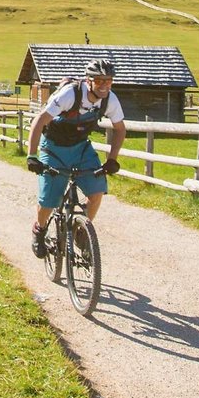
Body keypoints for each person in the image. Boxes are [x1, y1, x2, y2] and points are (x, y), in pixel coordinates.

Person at [26, 58, 126, 258]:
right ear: (89, 81)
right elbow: (40, 120)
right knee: (48, 201)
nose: (105, 85)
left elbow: (120, 129)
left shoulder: (109, 100)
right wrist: (32, 155)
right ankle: (40, 229)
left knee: (97, 190)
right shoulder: (70, 94)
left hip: (81, 148)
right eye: (99, 81)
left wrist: (112, 159)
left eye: (109, 80)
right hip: (53, 148)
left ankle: (81, 232)